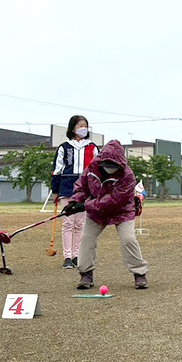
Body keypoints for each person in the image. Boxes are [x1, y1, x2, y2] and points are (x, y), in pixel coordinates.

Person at [64, 140, 150, 290]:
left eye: (114, 165)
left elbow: (114, 201)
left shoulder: (127, 175)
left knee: (128, 239)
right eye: (107, 164)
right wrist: (74, 202)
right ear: (101, 160)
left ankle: (139, 273)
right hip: (96, 213)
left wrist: (84, 205)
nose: (110, 168)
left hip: (122, 211)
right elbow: (81, 186)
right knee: (86, 239)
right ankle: (86, 273)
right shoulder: (92, 168)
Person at [50, 115, 98, 269]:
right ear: (72, 129)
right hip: (67, 187)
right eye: (80, 126)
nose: (84, 129)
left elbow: (98, 168)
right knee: (68, 222)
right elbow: (57, 170)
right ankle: (67, 256)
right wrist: (55, 190)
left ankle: (77, 255)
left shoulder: (92, 147)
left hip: (86, 188)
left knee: (80, 223)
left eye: (86, 126)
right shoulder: (64, 147)